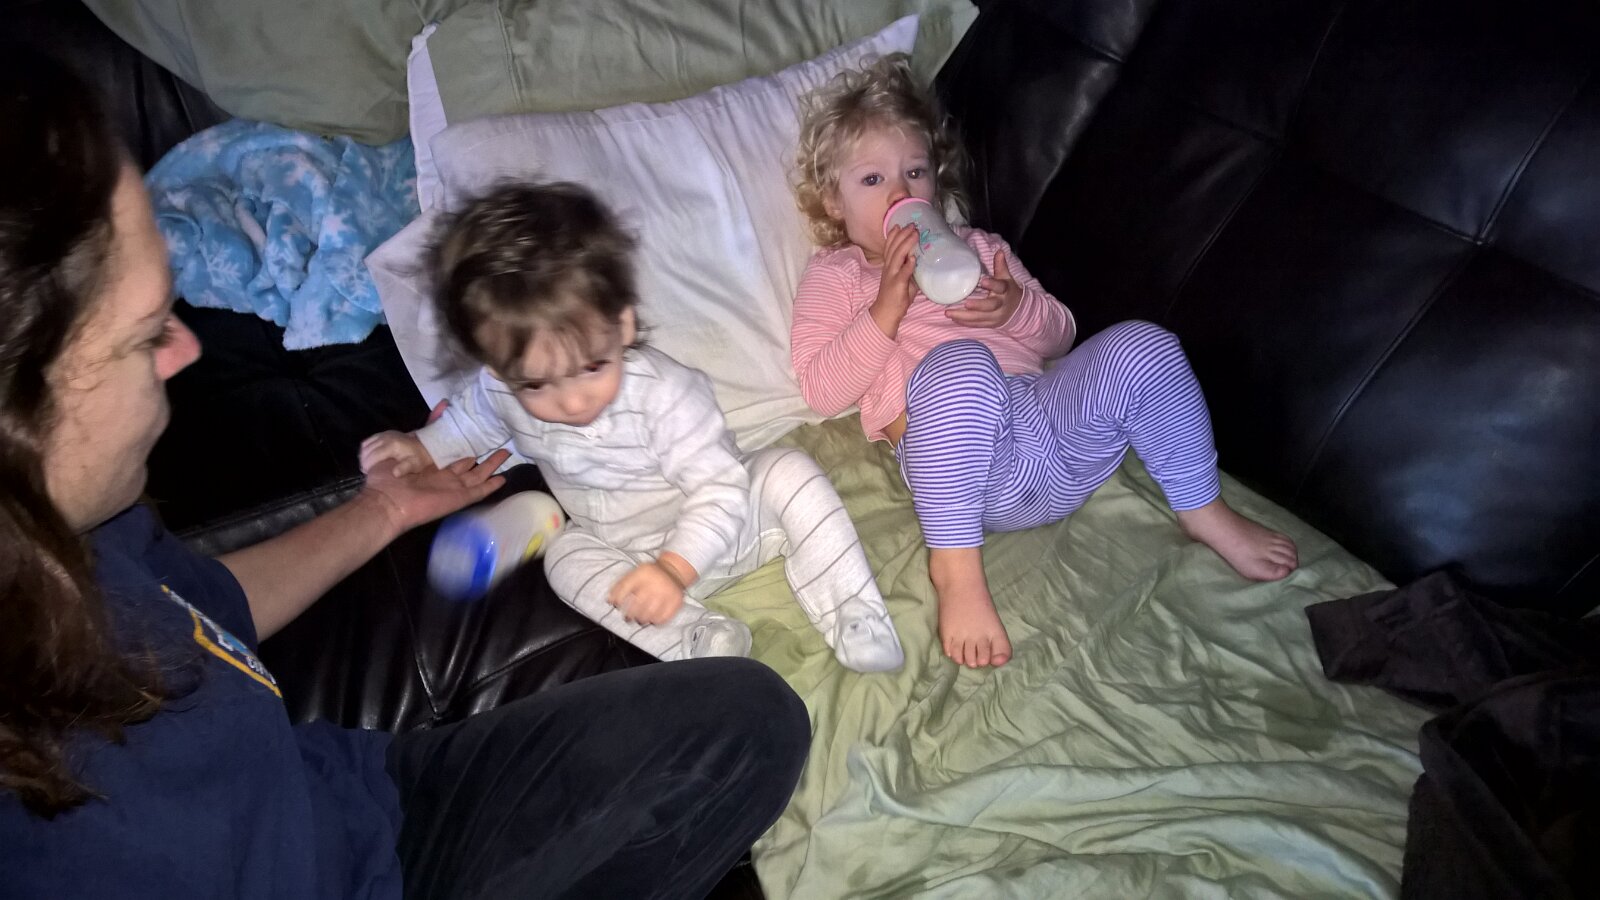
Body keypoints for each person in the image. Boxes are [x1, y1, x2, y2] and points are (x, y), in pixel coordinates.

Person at [0, 49, 810, 899]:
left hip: (363, 802)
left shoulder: (80, 526)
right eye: (144, 336)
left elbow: (201, 609)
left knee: (750, 723)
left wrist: (383, 509)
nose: (185, 348)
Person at [789, 54, 1299, 670]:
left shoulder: (980, 248)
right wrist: (885, 309)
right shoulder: (839, 276)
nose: (901, 193)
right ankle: (956, 567)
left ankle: (1202, 507)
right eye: (872, 179)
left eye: (915, 171)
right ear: (833, 202)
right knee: (960, 365)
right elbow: (821, 388)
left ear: (936, 182)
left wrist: (1014, 309)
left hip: (1056, 431)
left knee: (1143, 346)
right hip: (969, 477)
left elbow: (1060, 338)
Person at [362, 182, 904, 673]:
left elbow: (720, 489)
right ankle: (698, 635)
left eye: (591, 367)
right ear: (499, 369)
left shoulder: (666, 394)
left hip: (726, 527)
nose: (571, 401)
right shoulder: (502, 387)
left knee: (790, 471)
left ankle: (855, 611)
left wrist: (676, 569)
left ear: (621, 324)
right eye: (536, 384)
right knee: (564, 560)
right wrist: (425, 447)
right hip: (630, 559)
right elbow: (475, 418)